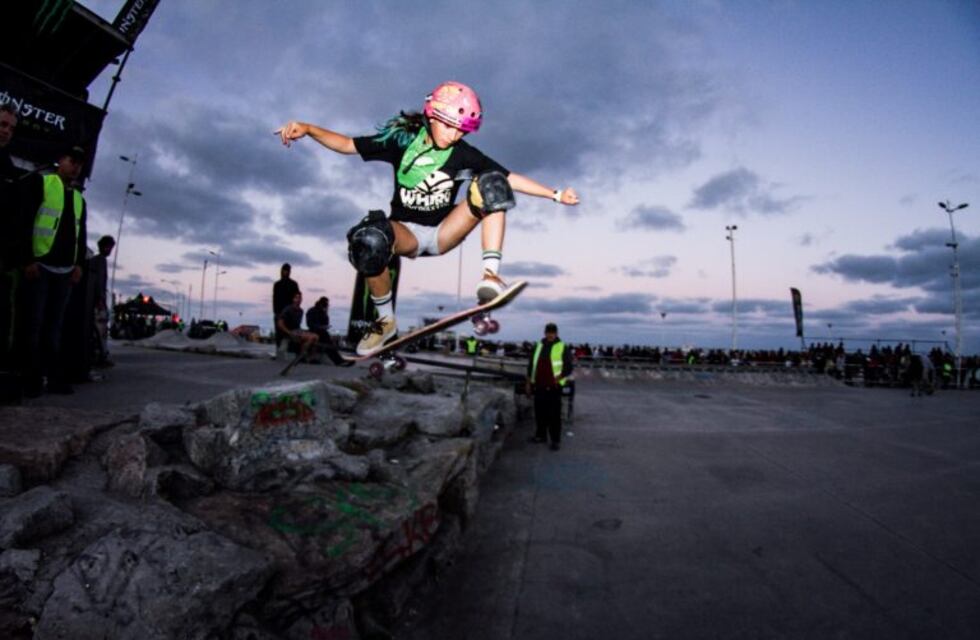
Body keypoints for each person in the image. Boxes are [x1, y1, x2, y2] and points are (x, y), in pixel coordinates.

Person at [278, 81, 580, 356]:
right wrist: (308, 128)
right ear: (433, 116)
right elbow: (347, 145)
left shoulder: (464, 154)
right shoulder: (401, 140)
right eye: (451, 127)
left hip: (444, 231)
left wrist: (554, 195)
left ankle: (490, 275)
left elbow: (510, 178)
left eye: (463, 130)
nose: (456, 135)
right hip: (405, 233)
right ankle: (384, 323)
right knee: (368, 239)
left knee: (492, 182)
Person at [20, 145, 89, 395]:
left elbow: (80, 236)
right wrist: (28, 259)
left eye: (80, 163)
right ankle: (31, 379)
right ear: (61, 160)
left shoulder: (79, 199)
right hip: (41, 266)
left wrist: (79, 264)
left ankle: (53, 377)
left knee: (54, 328)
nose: (76, 167)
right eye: (72, 160)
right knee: (34, 325)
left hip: (65, 271)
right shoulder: (43, 184)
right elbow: (27, 221)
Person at [526, 322, 574, 451]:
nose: (550, 334)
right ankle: (540, 435)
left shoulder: (562, 347)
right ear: (545, 333)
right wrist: (529, 383)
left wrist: (559, 377)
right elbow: (531, 366)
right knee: (539, 413)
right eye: (548, 332)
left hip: (554, 387)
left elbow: (569, 367)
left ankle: (555, 440)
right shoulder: (538, 346)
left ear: (556, 333)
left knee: (554, 415)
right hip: (539, 385)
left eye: (553, 332)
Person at [88, 235, 115, 367]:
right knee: (100, 331)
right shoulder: (100, 261)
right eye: (109, 247)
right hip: (98, 301)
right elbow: (99, 282)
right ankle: (102, 356)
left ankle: (99, 355)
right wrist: (100, 299)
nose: (110, 250)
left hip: (94, 299)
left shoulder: (93, 260)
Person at [305, 296, 352, 367]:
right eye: (326, 305)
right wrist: (321, 327)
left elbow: (326, 323)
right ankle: (338, 361)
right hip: (314, 331)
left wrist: (326, 313)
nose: (326, 306)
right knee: (328, 341)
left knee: (328, 341)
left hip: (321, 332)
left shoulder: (322, 312)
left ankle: (339, 360)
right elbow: (310, 324)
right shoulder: (312, 311)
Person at [276, 290, 318, 358]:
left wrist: (304, 331)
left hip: (297, 330)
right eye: (297, 297)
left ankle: (311, 357)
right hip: (290, 331)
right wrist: (289, 332)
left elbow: (297, 325)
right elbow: (280, 323)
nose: (299, 299)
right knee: (311, 337)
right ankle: (302, 356)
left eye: (300, 298)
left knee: (316, 336)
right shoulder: (288, 309)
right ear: (293, 299)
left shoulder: (301, 311)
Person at [272, 263, 299, 358]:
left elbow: (297, 298)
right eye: (284, 270)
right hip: (279, 312)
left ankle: (287, 351)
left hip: (289, 313)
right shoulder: (277, 284)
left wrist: (295, 310)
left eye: (287, 270)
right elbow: (274, 299)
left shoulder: (293, 284)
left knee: (288, 332)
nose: (286, 272)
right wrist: (275, 312)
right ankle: (279, 352)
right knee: (279, 333)